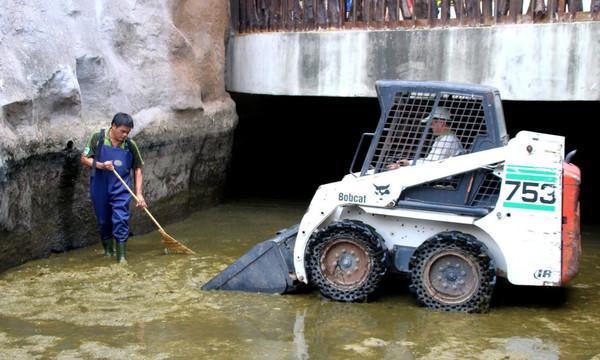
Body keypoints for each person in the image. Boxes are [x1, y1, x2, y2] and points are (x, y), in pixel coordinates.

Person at [80, 113, 147, 263]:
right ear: (113, 126)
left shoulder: (130, 145)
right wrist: (100, 165)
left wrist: (139, 194)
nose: (125, 135)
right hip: (100, 186)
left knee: (120, 219)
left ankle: (121, 258)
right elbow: (84, 158)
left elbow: (138, 169)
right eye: (122, 131)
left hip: (121, 188)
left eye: (128, 132)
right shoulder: (97, 138)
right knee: (103, 221)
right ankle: (108, 252)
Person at [387, 107, 463, 170]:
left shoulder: (447, 140)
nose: (431, 127)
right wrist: (409, 163)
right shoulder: (444, 138)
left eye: (432, 123)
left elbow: (430, 164)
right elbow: (429, 160)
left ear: (441, 123)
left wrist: (401, 168)